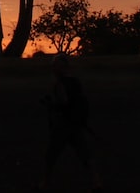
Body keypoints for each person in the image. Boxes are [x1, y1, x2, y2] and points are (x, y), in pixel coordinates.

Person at [40, 54, 101, 190]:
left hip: (63, 125)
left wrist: (51, 106)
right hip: (75, 123)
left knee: (51, 155)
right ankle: (96, 182)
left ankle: (45, 183)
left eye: (55, 66)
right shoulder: (75, 82)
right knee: (84, 154)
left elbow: (64, 103)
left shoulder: (60, 84)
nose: (53, 69)